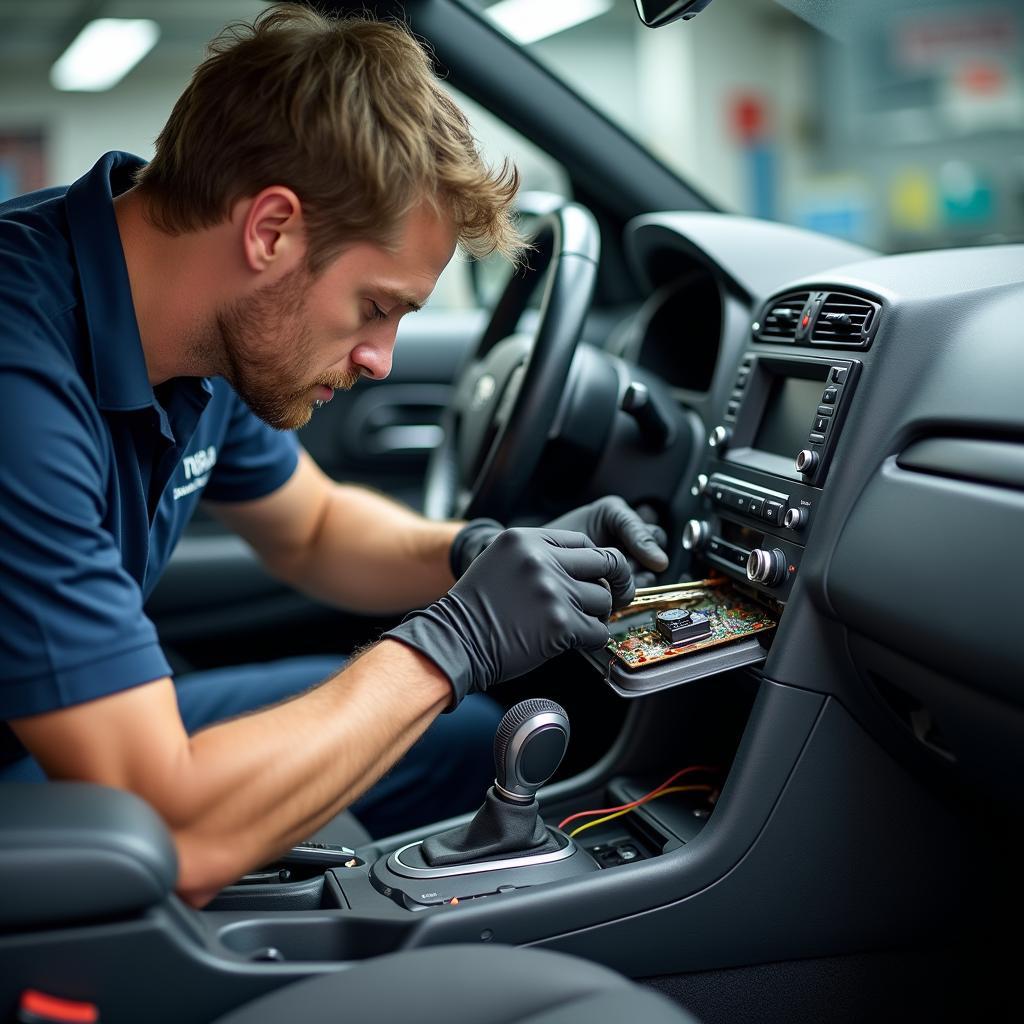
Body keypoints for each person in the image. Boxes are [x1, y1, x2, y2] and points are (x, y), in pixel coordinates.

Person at [0, 4, 667, 906]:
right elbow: (167, 827)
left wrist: (478, 554)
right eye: (376, 307)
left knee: (465, 742)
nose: (379, 359)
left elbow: (310, 527)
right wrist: (458, 637)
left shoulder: (190, 323)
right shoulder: (20, 377)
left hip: (44, 731)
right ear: (271, 231)